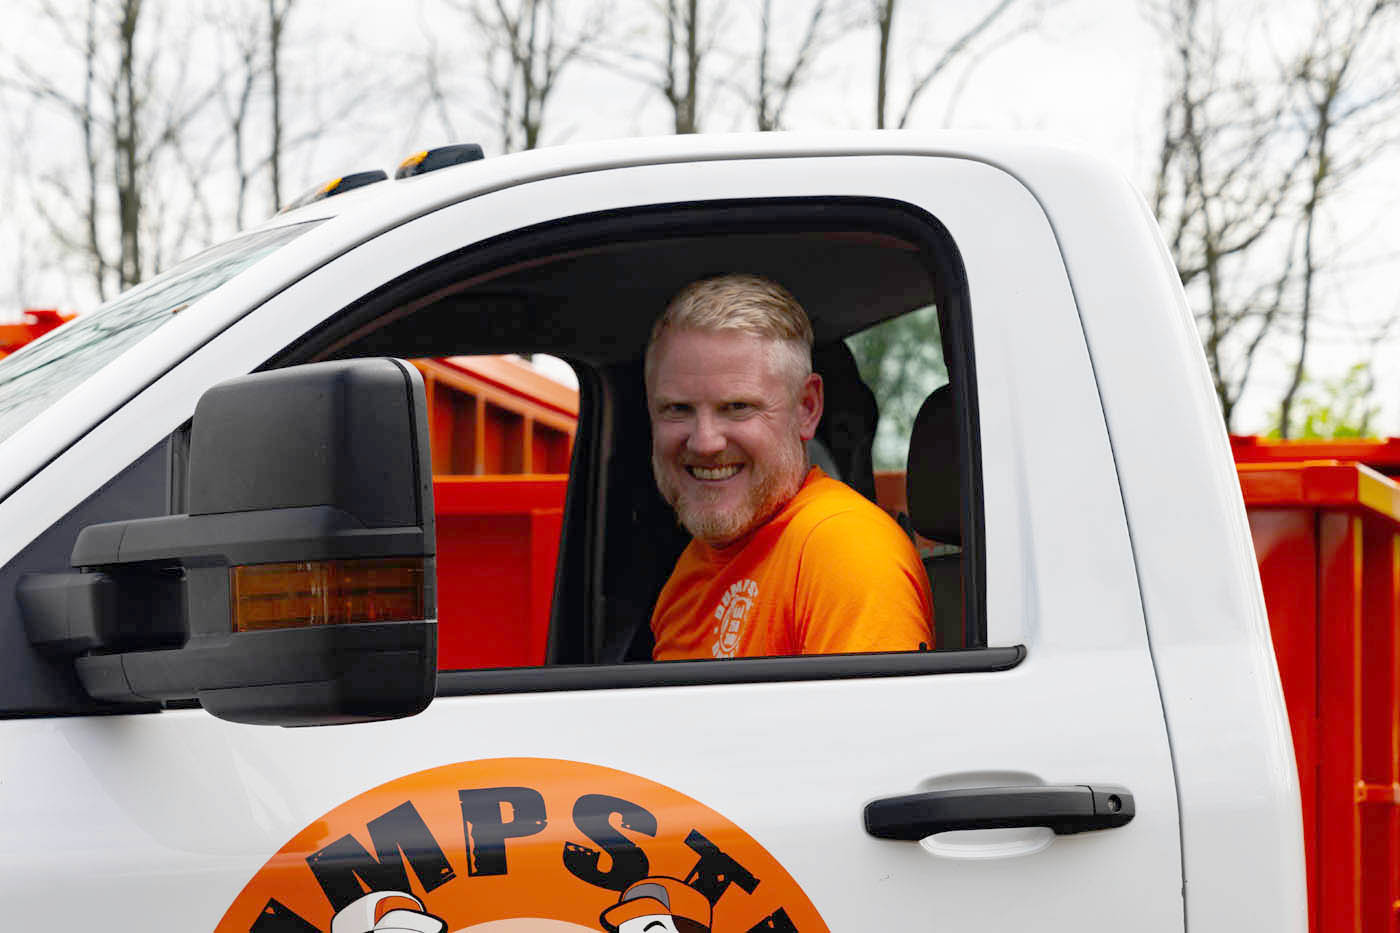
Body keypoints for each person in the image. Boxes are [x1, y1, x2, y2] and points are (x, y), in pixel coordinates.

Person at [646, 273, 934, 660]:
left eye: (737, 407)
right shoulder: (688, 576)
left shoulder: (845, 551)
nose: (704, 442)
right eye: (677, 410)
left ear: (806, 409)